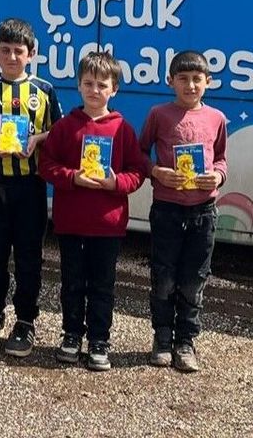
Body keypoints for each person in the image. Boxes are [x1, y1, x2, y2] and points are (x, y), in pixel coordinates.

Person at [38, 52, 147, 371]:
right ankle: (71, 335)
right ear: (78, 85)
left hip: (107, 225)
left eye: (102, 85)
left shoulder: (123, 129)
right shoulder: (64, 127)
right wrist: (72, 177)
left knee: (102, 285)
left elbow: (137, 171)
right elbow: (46, 165)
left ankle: (99, 340)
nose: (94, 90)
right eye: (88, 83)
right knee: (72, 283)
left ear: (114, 89)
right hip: (71, 222)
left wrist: (116, 183)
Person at [0, 17, 62, 357]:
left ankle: (26, 321)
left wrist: (37, 140)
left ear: (31, 53)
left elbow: (58, 131)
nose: (12, 57)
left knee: (30, 256)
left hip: (31, 185)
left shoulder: (44, 91)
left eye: (19, 51)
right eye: (5, 50)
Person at [138, 50, 228, 373]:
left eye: (196, 79)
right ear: (170, 81)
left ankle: (186, 342)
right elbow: (139, 153)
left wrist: (217, 176)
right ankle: (162, 337)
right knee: (164, 277)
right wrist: (156, 172)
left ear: (208, 82)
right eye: (183, 79)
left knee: (194, 279)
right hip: (167, 210)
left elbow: (221, 159)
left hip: (203, 211)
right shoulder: (158, 114)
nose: (190, 85)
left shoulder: (217, 118)